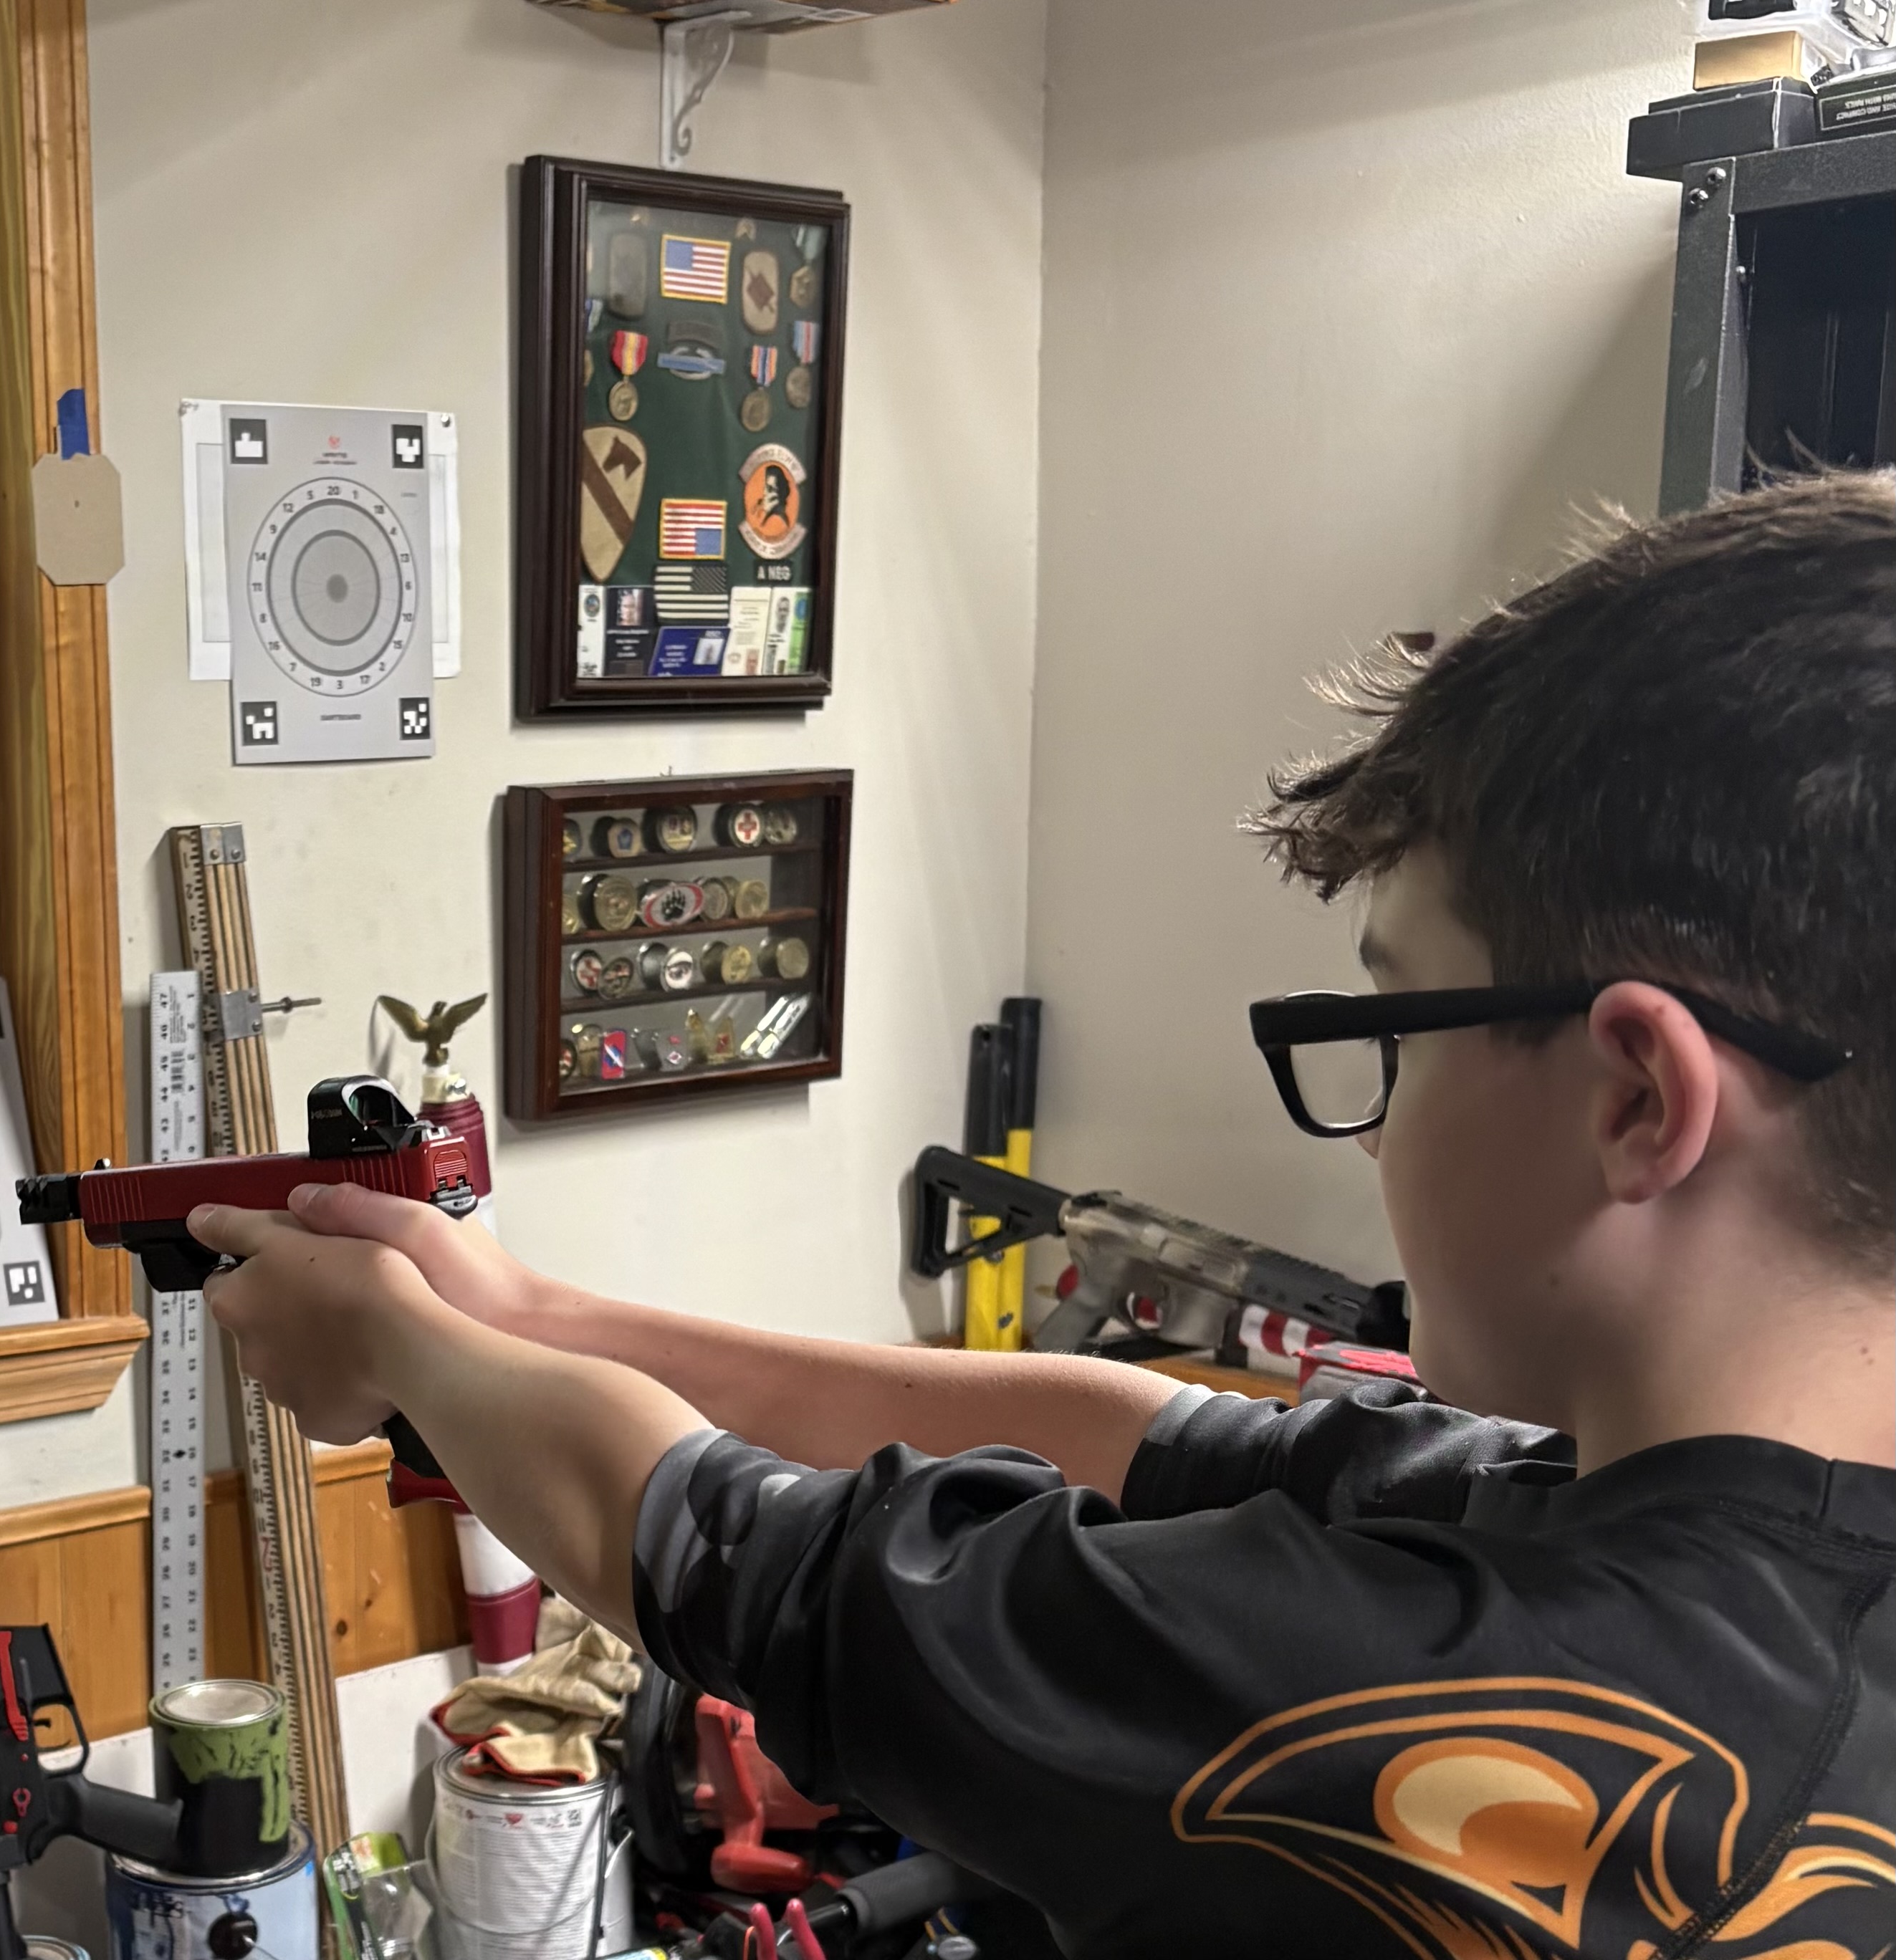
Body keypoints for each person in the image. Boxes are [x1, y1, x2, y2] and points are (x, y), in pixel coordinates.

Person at [196, 475, 1896, 1954]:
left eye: (1395, 1027)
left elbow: (766, 1573)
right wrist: (529, 1317)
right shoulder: (1682, 1547)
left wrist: (401, 1353)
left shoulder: (1438, 1679)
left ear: (1636, 1099)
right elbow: (1142, 1439)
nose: (1379, 1122)